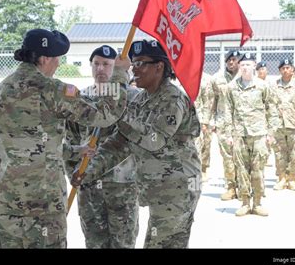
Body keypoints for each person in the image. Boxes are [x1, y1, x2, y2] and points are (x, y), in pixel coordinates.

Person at [0, 29, 130, 249]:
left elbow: (23, 145)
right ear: (44, 59)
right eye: (57, 59)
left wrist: (74, 151)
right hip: (42, 205)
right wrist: (119, 75)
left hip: (4, 201)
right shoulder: (53, 89)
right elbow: (105, 114)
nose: (58, 65)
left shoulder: (1, 89)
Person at [73, 40, 201, 248]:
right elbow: (121, 143)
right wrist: (89, 170)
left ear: (159, 67)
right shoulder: (141, 99)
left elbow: (154, 140)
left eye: (141, 63)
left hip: (176, 190)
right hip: (157, 189)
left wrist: (118, 94)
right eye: (133, 63)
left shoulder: (172, 98)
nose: (134, 68)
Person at [64, 45, 139, 248]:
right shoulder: (82, 98)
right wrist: (74, 171)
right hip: (89, 184)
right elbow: (70, 138)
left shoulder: (132, 98)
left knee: (123, 241)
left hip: (122, 184)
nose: (100, 69)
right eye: (96, 64)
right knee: (94, 241)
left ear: (117, 68)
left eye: (107, 64)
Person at [223, 53, 279, 216]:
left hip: (259, 134)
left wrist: (271, 132)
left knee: (258, 170)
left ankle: (258, 203)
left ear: (254, 66)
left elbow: (272, 109)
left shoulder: (263, 86)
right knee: (241, 170)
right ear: (239, 67)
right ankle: (245, 203)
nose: (245, 67)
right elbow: (228, 111)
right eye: (243, 65)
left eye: (248, 64)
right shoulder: (231, 88)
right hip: (239, 135)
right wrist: (228, 134)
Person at [270, 58, 295, 191]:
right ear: (280, 70)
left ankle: (292, 179)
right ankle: (281, 178)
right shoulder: (273, 86)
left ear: (292, 69)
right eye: (283, 68)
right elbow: (269, 105)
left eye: (288, 67)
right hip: (278, 125)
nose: (286, 70)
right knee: (279, 153)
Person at [210, 49, 241, 200]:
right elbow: (212, 101)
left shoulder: (246, 78)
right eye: (229, 59)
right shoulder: (217, 78)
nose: (231, 62)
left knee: (242, 156)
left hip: (243, 124)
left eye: (234, 59)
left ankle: (244, 187)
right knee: (227, 157)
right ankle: (230, 187)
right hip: (223, 123)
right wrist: (211, 121)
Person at [195, 72, 214, 181]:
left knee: (202, 146)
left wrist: (205, 121)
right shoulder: (177, 76)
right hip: (180, 118)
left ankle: (202, 170)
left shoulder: (205, 79)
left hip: (199, 118)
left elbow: (207, 101)